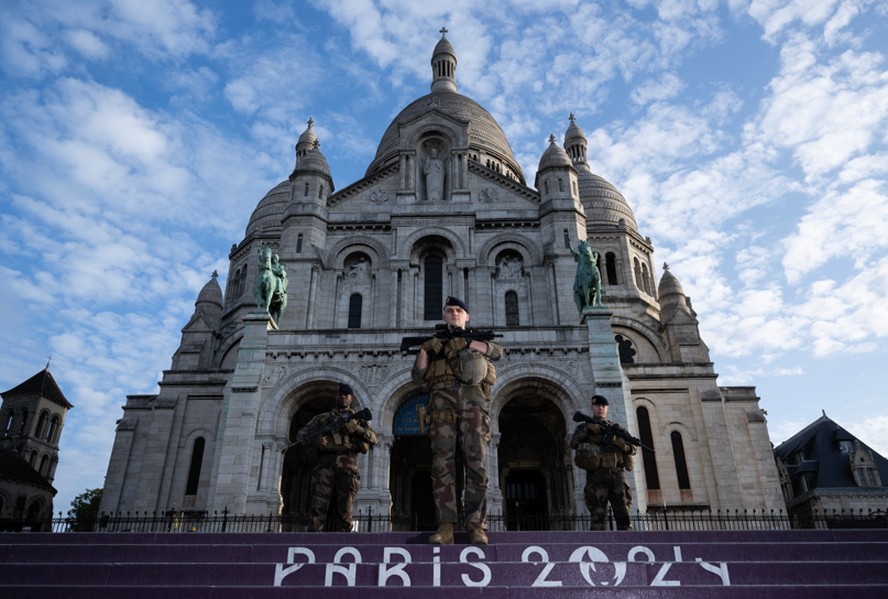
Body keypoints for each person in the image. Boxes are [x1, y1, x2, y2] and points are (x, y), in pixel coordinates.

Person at [412, 296, 502, 545]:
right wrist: (425, 350)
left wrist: (467, 343)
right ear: (444, 315)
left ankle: (476, 527)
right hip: (441, 405)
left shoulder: (476, 339)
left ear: (466, 316)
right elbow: (418, 377)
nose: (454, 314)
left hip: (473, 404)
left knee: (477, 465)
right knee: (442, 465)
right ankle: (446, 526)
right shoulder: (435, 343)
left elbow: (497, 351)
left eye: (458, 311)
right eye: (449, 311)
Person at [300, 383, 378, 532]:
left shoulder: (359, 419)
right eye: (340, 394)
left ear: (351, 398)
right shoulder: (322, 419)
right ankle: (314, 538)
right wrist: (316, 441)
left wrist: (357, 429)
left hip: (348, 463)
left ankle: (344, 539)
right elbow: (302, 436)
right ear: (336, 396)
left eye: (346, 395)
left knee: (346, 507)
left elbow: (374, 439)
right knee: (319, 505)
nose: (343, 397)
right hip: (325, 462)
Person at [570, 394, 636, 530]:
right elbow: (573, 443)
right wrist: (587, 429)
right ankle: (598, 545)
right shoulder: (585, 427)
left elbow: (633, 448)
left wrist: (622, 445)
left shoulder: (617, 429)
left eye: (603, 406)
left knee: (623, 513)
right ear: (592, 407)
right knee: (597, 515)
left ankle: (628, 544)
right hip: (596, 476)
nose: (601, 408)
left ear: (607, 408)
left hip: (617, 474)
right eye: (598, 406)